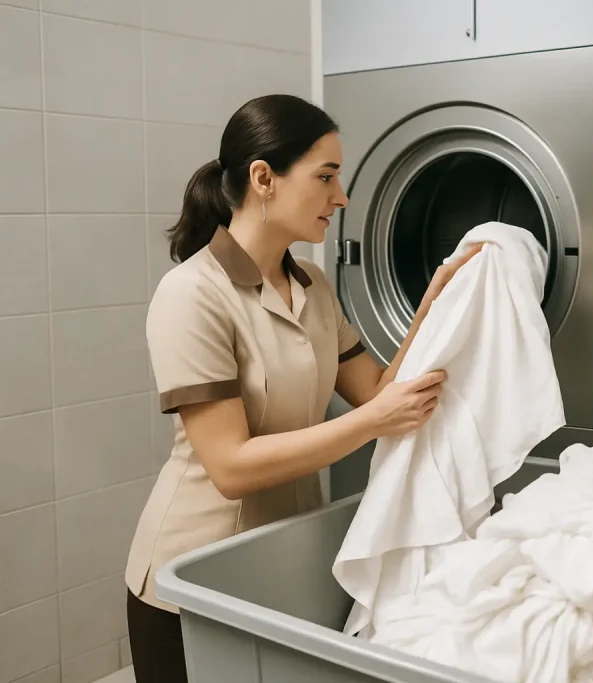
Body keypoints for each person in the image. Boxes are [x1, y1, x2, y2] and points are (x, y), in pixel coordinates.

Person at [123, 94, 482, 683]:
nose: (340, 197)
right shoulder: (191, 294)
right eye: (326, 176)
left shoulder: (310, 284)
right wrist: (374, 422)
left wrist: (437, 298)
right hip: (191, 578)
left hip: (285, 561)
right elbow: (231, 466)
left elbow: (376, 389)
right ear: (264, 178)